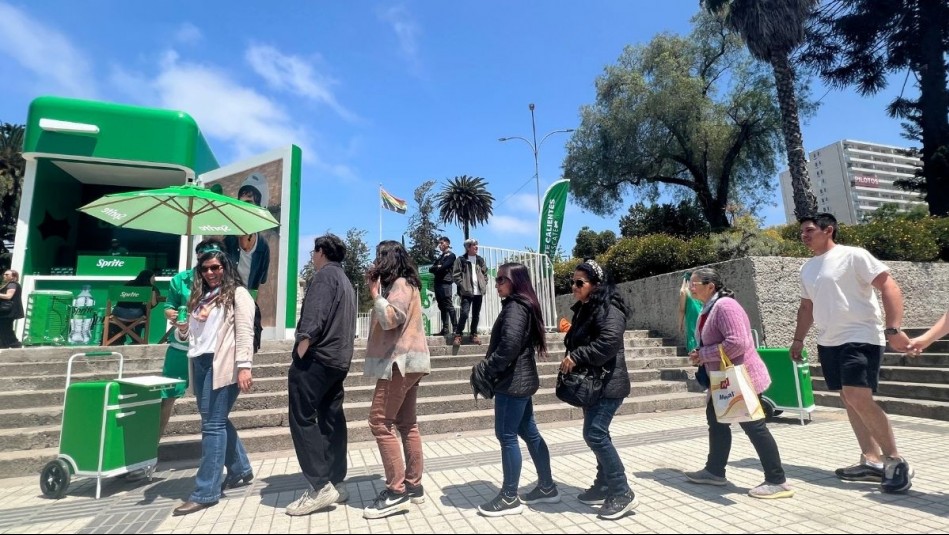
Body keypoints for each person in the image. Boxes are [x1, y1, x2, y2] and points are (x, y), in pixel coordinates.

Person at [791, 213, 914, 493]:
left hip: (860, 336)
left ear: (829, 230)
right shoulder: (808, 268)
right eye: (802, 232)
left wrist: (893, 329)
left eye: (809, 230)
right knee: (849, 398)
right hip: (829, 341)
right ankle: (871, 460)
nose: (804, 235)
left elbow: (889, 285)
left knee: (858, 395)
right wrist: (798, 340)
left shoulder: (854, 255)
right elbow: (806, 308)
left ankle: (895, 461)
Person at [684, 267, 794, 499]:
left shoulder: (725, 306)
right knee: (716, 422)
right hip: (723, 380)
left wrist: (703, 354)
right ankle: (714, 471)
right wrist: (701, 353)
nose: (690, 287)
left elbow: (738, 343)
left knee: (754, 427)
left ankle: (777, 480)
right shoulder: (710, 307)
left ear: (710, 286)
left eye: (695, 283)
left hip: (740, 378)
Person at [171, 246, 254, 516]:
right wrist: (182, 329)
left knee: (213, 425)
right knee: (214, 419)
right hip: (200, 362)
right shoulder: (201, 296)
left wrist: (244, 367)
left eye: (216, 267)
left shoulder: (238, 294)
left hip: (224, 363)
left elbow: (244, 332)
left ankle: (206, 491)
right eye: (205, 268)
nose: (210, 273)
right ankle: (240, 468)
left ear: (225, 268)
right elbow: (191, 336)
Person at [477, 262, 556, 517]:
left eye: (501, 279)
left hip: (512, 383)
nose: (497, 284)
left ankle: (510, 496)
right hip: (521, 381)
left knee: (506, 436)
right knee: (529, 433)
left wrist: (488, 368)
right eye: (496, 279)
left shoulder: (514, 307)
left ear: (516, 281)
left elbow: (509, 346)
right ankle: (547, 487)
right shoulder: (523, 305)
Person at [285, 234, 357, 517]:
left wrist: (300, 351)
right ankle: (336, 481)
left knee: (302, 418)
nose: (312, 257)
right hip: (338, 360)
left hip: (317, 358)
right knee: (331, 418)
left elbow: (313, 319)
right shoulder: (346, 281)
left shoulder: (325, 276)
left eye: (313, 252)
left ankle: (319, 485)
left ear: (322, 252)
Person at [559, 259, 637, 520]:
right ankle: (604, 484)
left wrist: (578, 355)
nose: (574, 286)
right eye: (573, 282)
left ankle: (622, 491)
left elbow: (609, 342)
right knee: (599, 434)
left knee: (594, 434)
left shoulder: (608, 308)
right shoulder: (586, 308)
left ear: (595, 285)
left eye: (579, 282)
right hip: (594, 385)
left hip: (608, 385)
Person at [361, 241, 432, 519]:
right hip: (412, 362)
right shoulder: (408, 283)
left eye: (379, 256)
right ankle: (413, 485)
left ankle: (396, 491)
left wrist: (376, 295)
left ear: (388, 259)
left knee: (379, 422)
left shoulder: (400, 284)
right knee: (406, 423)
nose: (375, 262)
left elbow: (392, 318)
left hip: (399, 363)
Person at [224, 176, 271, 291]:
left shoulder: (263, 247)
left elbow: (262, 281)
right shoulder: (227, 243)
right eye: (241, 203)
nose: (243, 208)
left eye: (249, 202)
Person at [105, 269, 160, 346]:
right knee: (142, 314)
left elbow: (120, 299)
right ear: (148, 277)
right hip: (135, 314)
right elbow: (153, 303)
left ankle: (134, 340)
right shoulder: (150, 287)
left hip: (118, 312)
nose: (155, 280)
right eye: (153, 277)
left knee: (127, 321)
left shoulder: (129, 283)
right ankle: (137, 340)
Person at [452, 238, 487, 346]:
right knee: (464, 313)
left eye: (477, 245)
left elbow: (485, 273)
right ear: (468, 247)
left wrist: (484, 283)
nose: (476, 247)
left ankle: (473, 335)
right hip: (467, 291)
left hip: (478, 292)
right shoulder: (461, 260)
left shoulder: (480, 260)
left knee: (476, 315)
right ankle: (458, 335)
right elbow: (456, 275)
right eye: (474, 245)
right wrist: (463, 285)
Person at [428, 236, 457, 336]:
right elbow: (430, 269)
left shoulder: (451, 256)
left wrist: (439, 267)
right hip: (438, 283)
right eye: (439, 243)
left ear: (447, 244)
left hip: (446, 283)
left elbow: (444, 267)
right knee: (442, 306)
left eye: (442, 243)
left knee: (449, 305)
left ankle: (456, 329)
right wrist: (438, 267)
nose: (439, 245)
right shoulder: (440, 257)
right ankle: (445, 329)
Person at [0, 269, 24, 349]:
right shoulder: (10, 284)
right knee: (4, 327)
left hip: (8, 311)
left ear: (13, 277)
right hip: (7, 311)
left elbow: (8, 296)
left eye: (7, 275)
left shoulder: (12, 284)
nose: (4, 276)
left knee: (5, 327)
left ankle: (14, 343)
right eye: (4, 274)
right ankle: (4, 344)